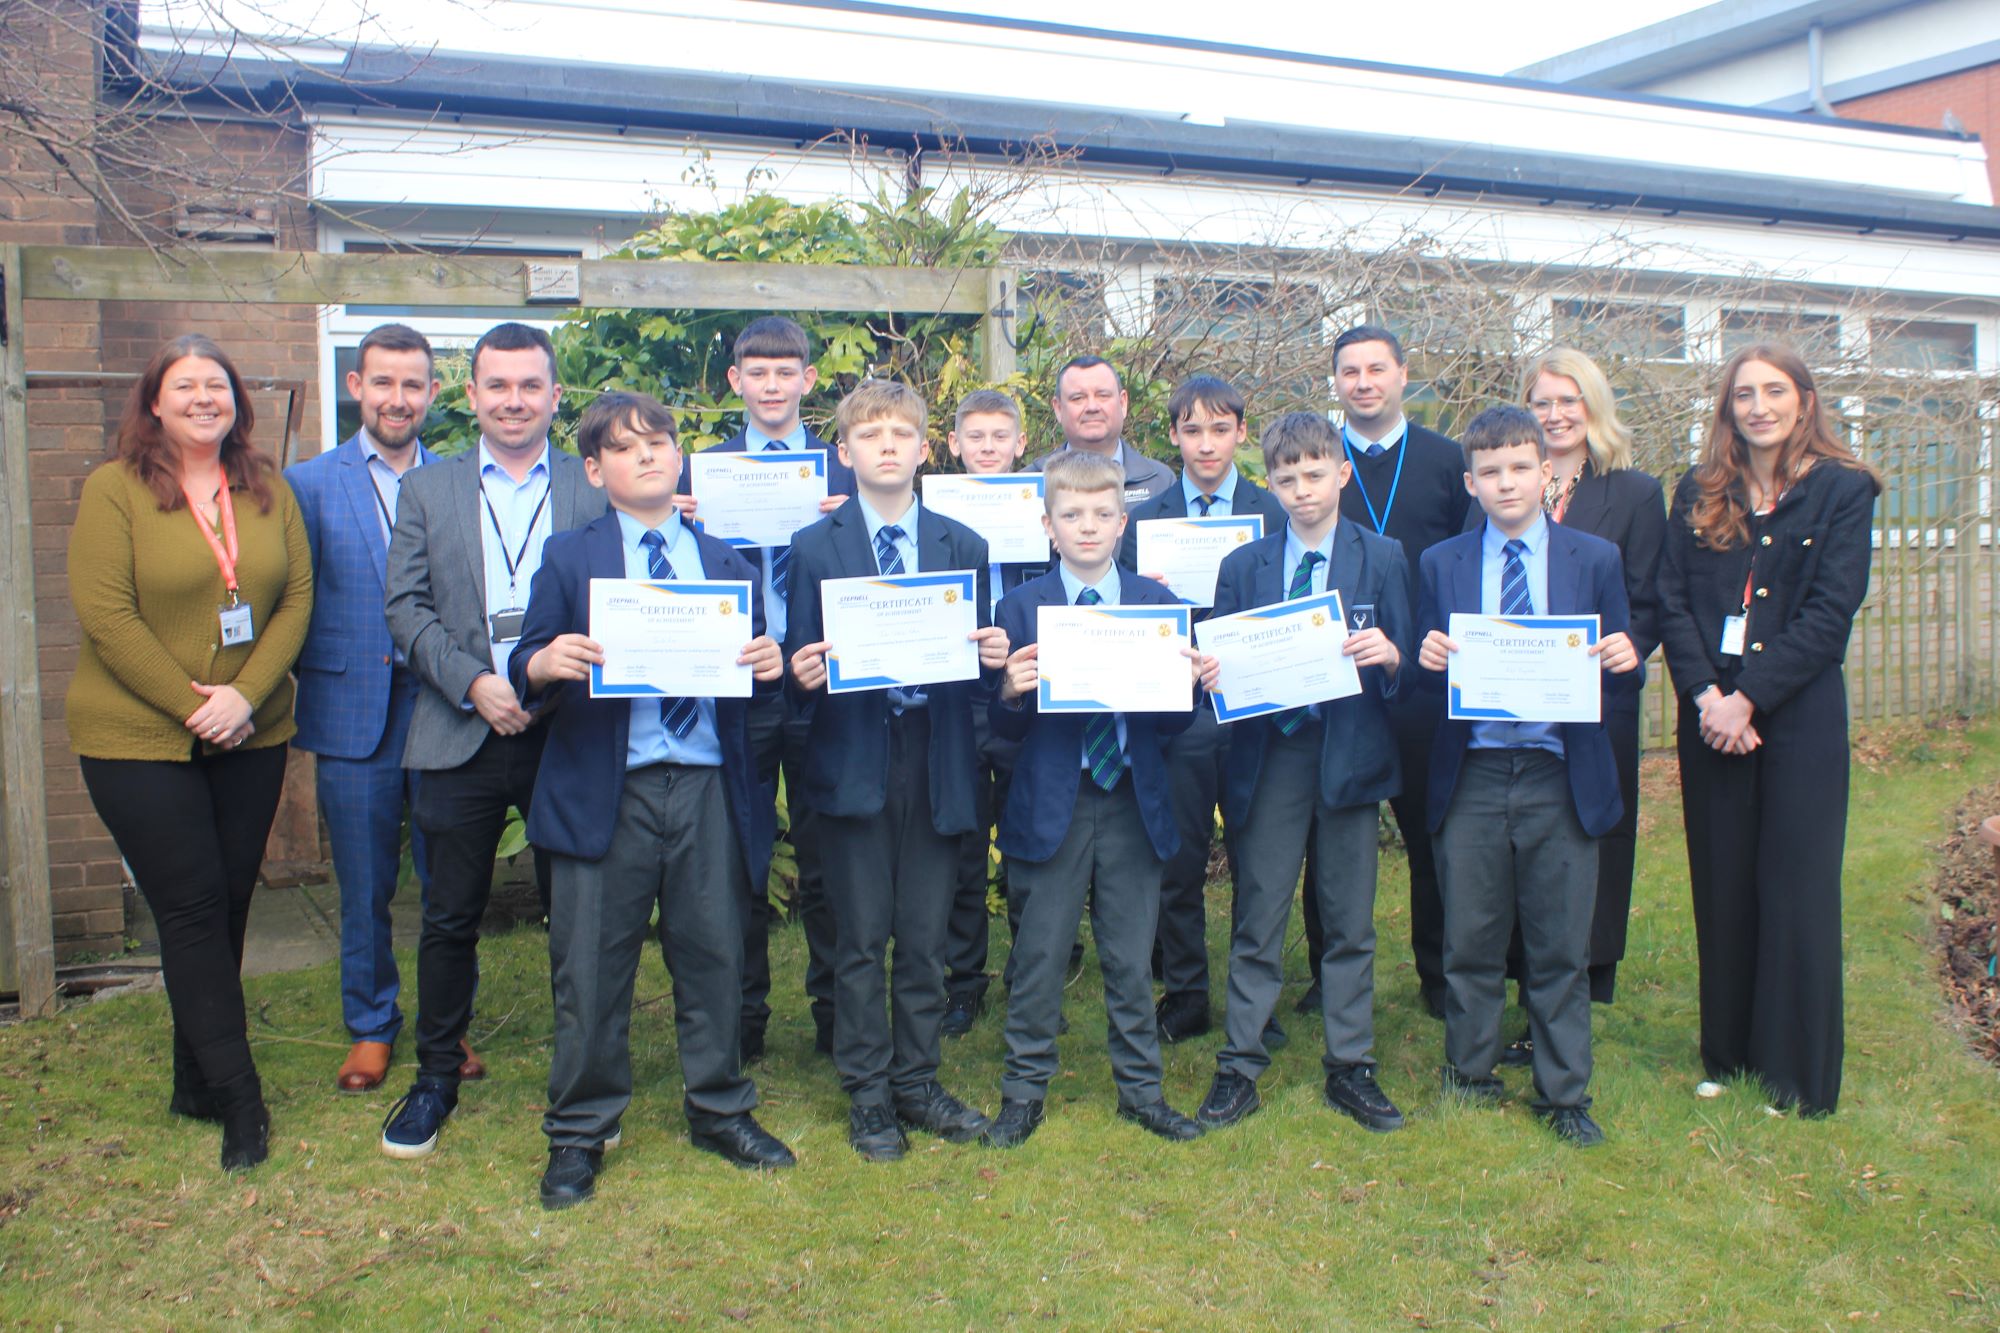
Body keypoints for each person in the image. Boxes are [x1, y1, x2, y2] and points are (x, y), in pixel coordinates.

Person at [509, 392, 797, 1208]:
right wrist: (545, 660)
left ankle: (719, 1107)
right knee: (592, 965)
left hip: (705, 783)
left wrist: (767, 663)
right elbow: (528, 659)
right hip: (611, 787)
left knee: (713, 953)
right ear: (596, 469)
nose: (649, 456)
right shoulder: (572, 559)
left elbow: (755, 692)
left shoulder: (727, 563)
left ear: (680, 459)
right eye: (627, 447)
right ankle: (581, 1129)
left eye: (661, 442)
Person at [66, 333, 314, 1170]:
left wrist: (244, 696)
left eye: (218, 385)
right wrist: (193, 706)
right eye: (185, 386)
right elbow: (107, 615)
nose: (204, 398)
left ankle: (193, 1080)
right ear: (155, 402)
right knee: (193, 908)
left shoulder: (267, 489)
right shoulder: (115, 490)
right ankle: (242, 1102)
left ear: (237, 402)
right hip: (138, 736)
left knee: (227, 904)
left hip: (253, 729)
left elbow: (295, 599)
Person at [379, 322, 608, 1159]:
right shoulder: (428, 491)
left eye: (530, 385)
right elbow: (405, 608)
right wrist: (476, 682)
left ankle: (582, 1077)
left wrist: (541, 678)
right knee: (448, 917)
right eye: (497, 385)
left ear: (555, 396)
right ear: (470, 395)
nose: (514, 400)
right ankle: (435, 1074)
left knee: (578, 913)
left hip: (568, 730)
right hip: (458, 728)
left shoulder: (593, 489)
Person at [783, 379, 1010, 1161]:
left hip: (936, 755)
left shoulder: (963, 547)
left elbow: (981, 677)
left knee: (921, 934)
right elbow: (795, 665)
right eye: (870, 433)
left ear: (924, 448)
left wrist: (991, 660)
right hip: (854, 756)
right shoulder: (813, 548)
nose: (887, 444)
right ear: (843, 453)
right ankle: (869, 1092)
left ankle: (917, 1078)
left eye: (901, 432)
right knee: (860, 934)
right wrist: (799, 671)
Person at [1657, 344, 1879, 1118]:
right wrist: (1707, 697)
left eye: (1775, 390)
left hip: (1797, 716)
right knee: (1723, 884)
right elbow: (1672, 600)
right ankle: (1731, 1056)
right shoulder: (1700, 488)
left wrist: (1747, 699)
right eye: (1744, 393)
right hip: (1710, 713)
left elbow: (1830, 612)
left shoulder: (1844, 490)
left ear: (1805, 401)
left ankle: (1798, 1075)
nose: (1759, 405)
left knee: (1795, 888)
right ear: (1727, 407)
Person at [1415, 404, 1640, 1147]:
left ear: (1547, 472)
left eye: (1520, 468)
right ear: (1471, 483)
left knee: (1559, 942)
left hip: (1558, 771)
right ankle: (1470, 1071)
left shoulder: (1593, 560)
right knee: (1471, 936)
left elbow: (1622, 672)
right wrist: (1428, 660)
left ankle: (1564, 1090)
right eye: (1489, 472)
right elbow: (1425, 682)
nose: (1506, 483)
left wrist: (1624, 660)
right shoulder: (1441, 562)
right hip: (1474, 770)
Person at [1192, 411, 1412, 1133]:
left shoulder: (1382, 556)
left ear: (1343, 472)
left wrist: (1393, 656)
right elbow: (1219, 677)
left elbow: (1407, 673)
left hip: (1349, 756)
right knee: (1259, 915)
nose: (1302, 490)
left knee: (1349, 920)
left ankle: (1351, 1065)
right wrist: (1214, 673)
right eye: (1285, 478)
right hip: (1271, 758)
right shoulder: (1243, 567)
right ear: (1271, 483)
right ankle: (1239, 1065)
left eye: (1315, 474)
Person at [982, 450, 1204, 1149]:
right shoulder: (1019, 607)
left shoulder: (1157, 605)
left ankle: (1141, 1090)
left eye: (1102, 514)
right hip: (1054, 799)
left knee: (1129, 954)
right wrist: (1012, 691)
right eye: (1071, 515)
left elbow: (1173, 726)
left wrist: (1192, 687)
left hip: (1132, 800)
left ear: (1122, 521)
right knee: (1040, 954)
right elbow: (1002, 729)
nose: (1087, 527)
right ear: (1048, 525)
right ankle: (1023, 1092)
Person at [677, 316, 855, 1061]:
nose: (774, 384)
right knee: (739, 858)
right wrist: (678, 524)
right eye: (759, 371)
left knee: (831, 856)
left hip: (820, 683)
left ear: (809, 381)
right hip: (738, 683)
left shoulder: (844, 476)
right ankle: (743, 1017)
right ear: (736, 383)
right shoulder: (696, 475)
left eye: (788, 371)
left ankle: (834, 1015)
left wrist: (855, 528)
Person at [1495, 349, 1667, 1066]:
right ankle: (1521, 994)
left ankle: (1570, 1004)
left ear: (1593, 407)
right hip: (1509, 708)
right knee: (1515, 852)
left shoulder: (1633, 492)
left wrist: (1632, 645)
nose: (1555, 414)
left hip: (1594, 706)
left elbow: (1651, 597)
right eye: (1541, 401)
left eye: (1569, 401)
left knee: (1586, 848)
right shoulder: (1507, 481)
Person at [285, 323, 442, 1092]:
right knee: (365, 880)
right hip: (352, 707)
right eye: (383, 382)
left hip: (443, 706)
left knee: (448, 878)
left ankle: (449, 1027)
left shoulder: (457, 479)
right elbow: (292, 599)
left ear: (434, 394)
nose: (397, 398)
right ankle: (372, 1024)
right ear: (357, 386)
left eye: (413, 384)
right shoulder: (308, 484)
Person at [1119, 374, 1285, 1045]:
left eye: (1220, 429)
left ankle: (1256, 998)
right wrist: (1144, 593)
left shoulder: (1272, 513)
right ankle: (1185, 991)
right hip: (1180, 709)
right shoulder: (1145, 520)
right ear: (1174, 437)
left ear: (1242, 432)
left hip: (1255, 707)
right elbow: (1122, 614)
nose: (1206, 443)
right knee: (1179, 858)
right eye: (1192, 430)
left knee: (1258, 859)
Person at [1331, 325, 1469, 1021]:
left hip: (1424, 676)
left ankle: (1439, 974)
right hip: (1339, 682)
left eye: (1376, 368)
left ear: (1403, 374)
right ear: (1335, 383)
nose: (1364, 382)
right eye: (1350, 371)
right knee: (1330, 831)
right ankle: (1327, 976)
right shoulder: (1319, 464)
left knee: (1429, 832)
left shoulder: (1448, 460)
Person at [940, 389, 1045, 1036]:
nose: (986, 447)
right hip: (959, 691)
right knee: (962, 843)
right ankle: (963, 978)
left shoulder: (1046, 510)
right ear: (953, 445)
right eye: (974, 436)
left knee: (1030, 833)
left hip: (1027, 690)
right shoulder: (935, 516)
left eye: (998, 436)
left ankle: (1035, 969)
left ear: (1020, 443)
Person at [1025, 355, 1175, 508]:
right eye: (1078, 398)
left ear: (1123, 403)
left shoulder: (1160, 481)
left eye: (1103, 396)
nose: (1092, 407)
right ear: (1058, 408)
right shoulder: (1028, 483)